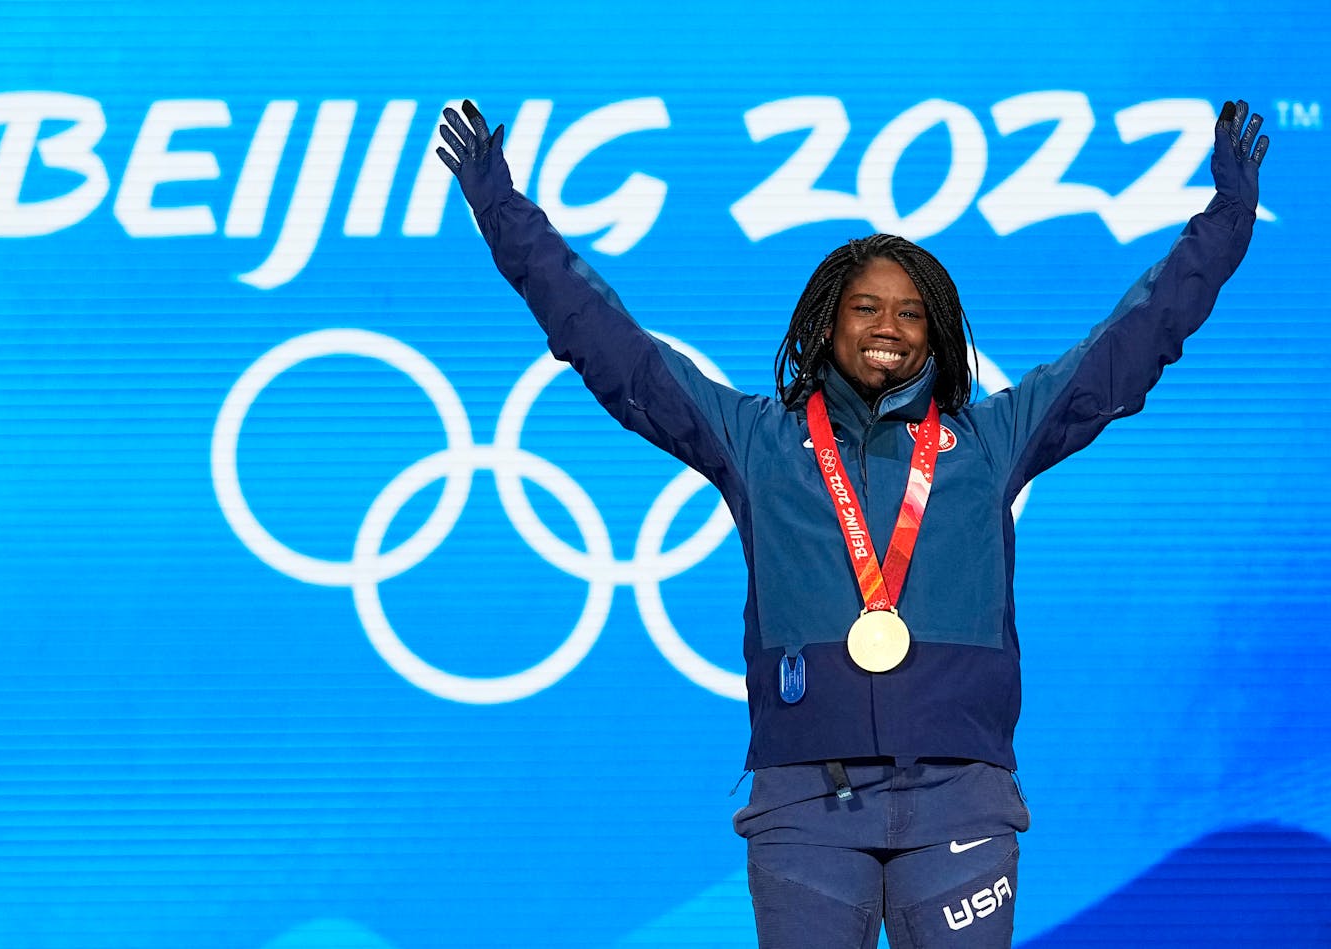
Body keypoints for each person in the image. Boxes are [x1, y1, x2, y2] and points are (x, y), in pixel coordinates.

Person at [436, 97, 1269, 948]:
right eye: (865, 308)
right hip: (805, 804)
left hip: (960, 798)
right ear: (827, 323)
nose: (888, 328)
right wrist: (499, 208)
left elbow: (1135, 340)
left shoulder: (988, 442)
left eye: (911, 313)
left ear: (936, 334)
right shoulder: (758, 443)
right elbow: (611, 347)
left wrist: (1228, 221)